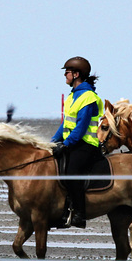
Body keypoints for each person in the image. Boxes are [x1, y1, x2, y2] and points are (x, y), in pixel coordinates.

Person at [51, 56, 104, 228]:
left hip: (86, 144)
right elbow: (65, 125)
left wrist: (66, 144)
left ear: (76, 74)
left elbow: (81, 128)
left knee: (71, 171)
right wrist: (52, 142)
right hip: (73, 143)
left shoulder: (88, 97)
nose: (64, 75)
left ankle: (80, 214)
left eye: (66, 72)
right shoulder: (72, 97)